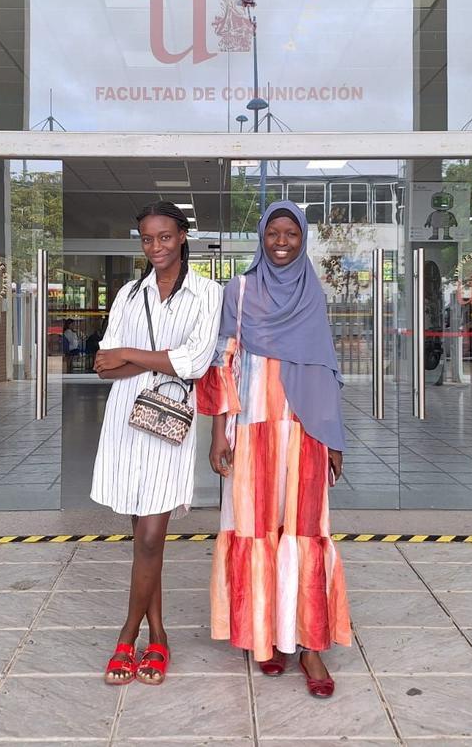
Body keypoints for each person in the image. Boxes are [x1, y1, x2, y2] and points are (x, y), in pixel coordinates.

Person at [198, 200, 351, 699]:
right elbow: (224, 361)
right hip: (253, 428)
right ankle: (264, 635)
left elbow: (326, 368)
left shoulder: (314, 293)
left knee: (306, 532)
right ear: (261, 237)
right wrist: (220, 432)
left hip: (305, 432)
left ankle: (310, 643)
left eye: (291, 233)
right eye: (273, 233)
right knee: (256, 530)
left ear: (302, 238)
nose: (281, 241)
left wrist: (334, 437)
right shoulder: (238, 291)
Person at [91, 201, 222, 686]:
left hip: (168, 423)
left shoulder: (209, 292)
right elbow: (105, 363)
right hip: (126, 420)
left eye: (165, 237)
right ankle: (160, 635)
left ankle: (128, 634)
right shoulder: (130, 292)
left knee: (149, 537)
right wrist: (146, 358)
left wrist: (130, 354)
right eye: (147, 239)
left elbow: (195, 361)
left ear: (183, 236)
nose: (156, 247)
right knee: (145, 542)